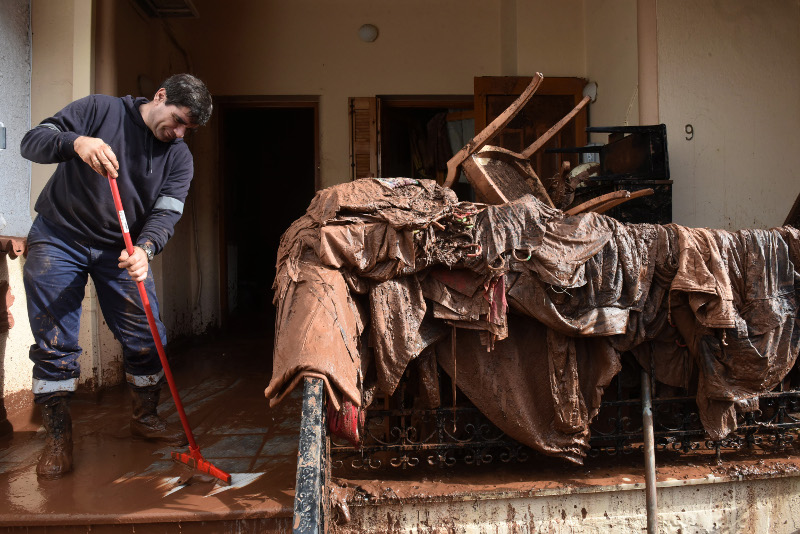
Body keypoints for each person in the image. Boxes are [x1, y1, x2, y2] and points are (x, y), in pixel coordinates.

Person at [20, 73, 213, 480]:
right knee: (56, 342)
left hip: (120, 251)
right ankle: (58, 438)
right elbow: (32, 141)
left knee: (149, 338)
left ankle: (145, 418)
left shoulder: (179, 157)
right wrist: (75, 142)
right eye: (177, 120)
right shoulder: (99, 110)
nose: (178, 133)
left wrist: (146, 249)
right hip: (59, 238)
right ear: (160, 96)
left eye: (187, 130)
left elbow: (166, 212)